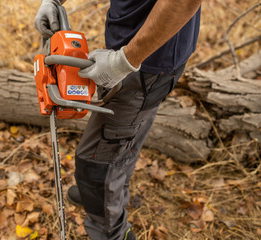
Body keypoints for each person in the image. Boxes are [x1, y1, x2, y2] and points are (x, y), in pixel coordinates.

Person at [34, 0, 203, 239]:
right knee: (125, 135)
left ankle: (110, 227)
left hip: (146, 60)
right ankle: (106, 193)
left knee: (95, 165)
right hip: (133, 49)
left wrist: (124, 61)